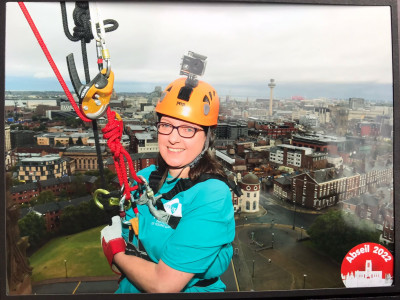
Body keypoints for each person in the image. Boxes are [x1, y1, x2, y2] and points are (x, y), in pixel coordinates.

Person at [100, 76, 237, 293]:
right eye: (166, 125)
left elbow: (164, 285)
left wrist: (114, 250)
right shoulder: (145, 178)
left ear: (208, 137)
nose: (173, 138)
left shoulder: (212, 195)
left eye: (188, 129)